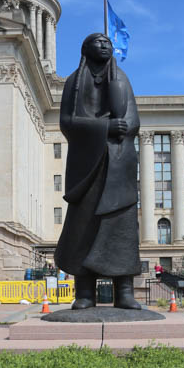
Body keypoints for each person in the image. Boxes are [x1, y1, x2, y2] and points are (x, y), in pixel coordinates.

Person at [54, 33, 142, 309]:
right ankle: (84, 293)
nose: (104, 44)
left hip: (118, 163)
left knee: (121, 225)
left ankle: (124, 292)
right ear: (85, 48)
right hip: (87, 167)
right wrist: (104, 127)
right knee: (84, 226)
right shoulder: (73, 82)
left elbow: (133, 119)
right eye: (98, 41)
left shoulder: (122, 79)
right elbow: (67, 123)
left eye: (107, 42)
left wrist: (122, 128)